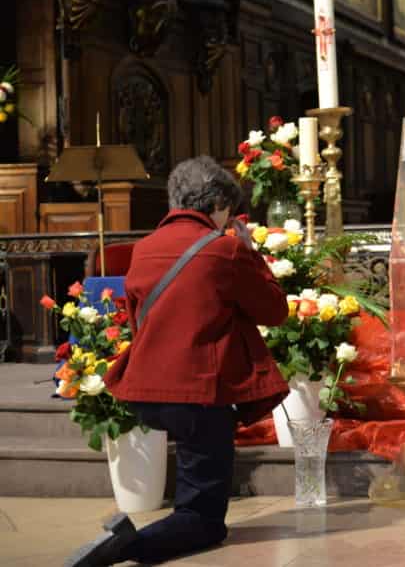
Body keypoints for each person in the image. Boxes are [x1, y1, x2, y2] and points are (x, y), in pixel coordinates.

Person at [66, 157, 290, 566]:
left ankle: (148, 532)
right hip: (199, 393)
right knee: (204, 520)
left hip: (148, 389)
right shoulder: (225, 250)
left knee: (196, 474)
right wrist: (249, 252)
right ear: (217, 203)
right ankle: (125, 546)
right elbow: (274, 311)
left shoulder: (144, 248)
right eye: (228, 212)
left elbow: (137, 319)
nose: (228, 221)